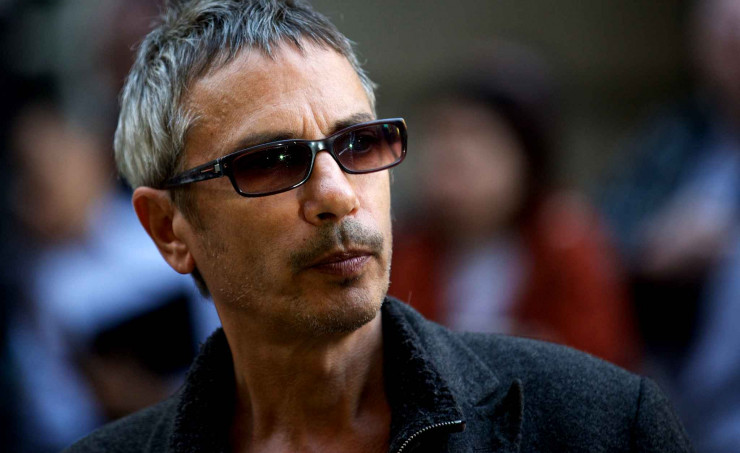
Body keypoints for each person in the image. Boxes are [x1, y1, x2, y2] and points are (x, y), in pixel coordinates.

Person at [65, 1, 693, 452]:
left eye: (359, 143)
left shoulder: (602, 425)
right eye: (271, 161)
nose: (338, 195)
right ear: (169, 228)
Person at [390, 48, 639, 369]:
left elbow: (599, 364)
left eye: (475, 134)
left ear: (525, 154)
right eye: (439, 133)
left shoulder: (566, 242)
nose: (451, 154)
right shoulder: (406, 248)